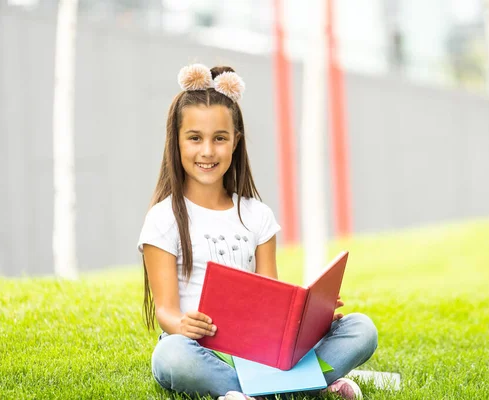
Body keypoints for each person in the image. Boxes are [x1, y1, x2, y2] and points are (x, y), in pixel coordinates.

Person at [137, 63, 378, 400]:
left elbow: (273, 299)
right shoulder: (163, 219)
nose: (207, 151)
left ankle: (262, 389)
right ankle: (298, 388)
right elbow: (165, 309)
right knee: (170, 357)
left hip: (261, 352)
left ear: (235, 142)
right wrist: (180, 325)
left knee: (362, 329)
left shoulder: (257, 216)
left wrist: (312, 316)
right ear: (176, 142)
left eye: (219, 139)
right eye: (195, 138)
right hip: (201, 349)